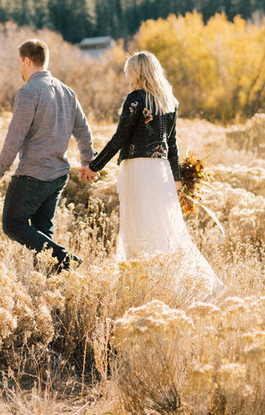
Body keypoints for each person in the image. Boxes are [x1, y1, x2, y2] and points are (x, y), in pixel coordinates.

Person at [81, 51, 223, 297]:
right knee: (163, 227)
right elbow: (173, 143)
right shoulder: (168, 101)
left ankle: (142, 287)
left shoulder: (135, 99)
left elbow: (119, 137)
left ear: (136, 72)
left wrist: (94, 166)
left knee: (138, 227)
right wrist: (177, 178)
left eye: (129, 71)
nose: (127, 75)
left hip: (137, 168)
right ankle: (168, 287)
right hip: (161, 171)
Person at [0, 39, 94, 271]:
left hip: (33, 174)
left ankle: (66, 258)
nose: (19, 68)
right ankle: (48, 285)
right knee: (41, 233)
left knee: (12, 224)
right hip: (58, 175)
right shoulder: (67, 92)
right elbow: (84, 130)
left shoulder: (28, 93)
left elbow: (14, 136)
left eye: (19, 62)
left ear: (27, 61)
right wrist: (87, 161)